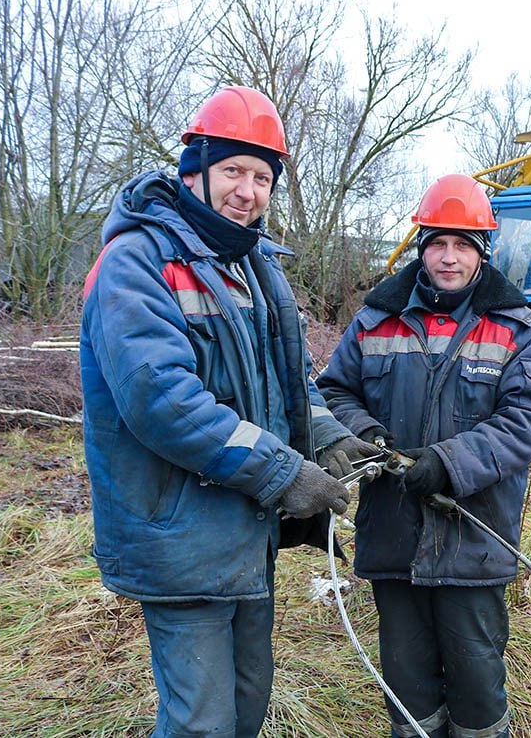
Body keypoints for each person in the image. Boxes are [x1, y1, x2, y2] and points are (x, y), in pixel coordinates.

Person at [79, 86, 380, 737]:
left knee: (246, 709)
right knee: (202, 724)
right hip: (180, 535)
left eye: (262, 177)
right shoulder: (137, 262)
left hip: (246, 535)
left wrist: (326, 434)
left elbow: (290, 379)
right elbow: (163, 401)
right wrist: (282, 472)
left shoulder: (257, 267)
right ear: (196, 171)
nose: (247, 191)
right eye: (233, 172)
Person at [316, 174, 531, 738]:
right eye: (438, 243)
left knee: (477, 688)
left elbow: (529, 421)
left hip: (474, 539)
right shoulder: (376, 318)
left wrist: (449, 462)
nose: (449, 258)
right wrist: (364, 433)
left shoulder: (517, 328)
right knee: (408, 688)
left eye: (463, 245)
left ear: (482, 252)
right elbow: (331, 392)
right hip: (392, 538)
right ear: (422, 246)